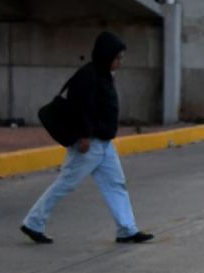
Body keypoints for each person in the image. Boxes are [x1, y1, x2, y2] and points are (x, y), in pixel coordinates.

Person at [21, 32, 154, 245]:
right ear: (106, 55)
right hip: (89, 143)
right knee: (65, 184)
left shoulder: (104, 74)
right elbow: (79, 108)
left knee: (116, 184)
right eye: (117, 57)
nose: (120, 62)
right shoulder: (88, 76)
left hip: (104, 144)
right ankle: (33, 222)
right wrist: (83, 135)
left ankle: (127, 230)